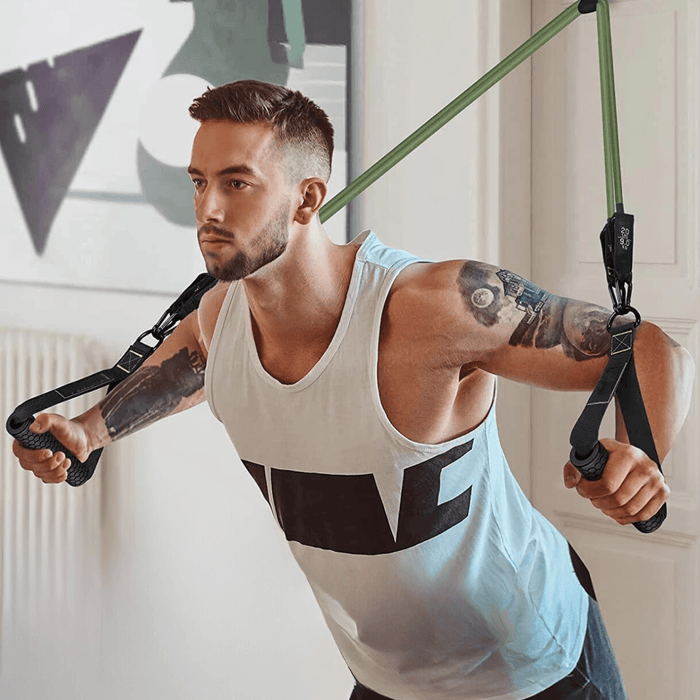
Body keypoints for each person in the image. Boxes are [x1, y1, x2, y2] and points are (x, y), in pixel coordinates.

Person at [13, 80, 694, 700]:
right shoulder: (223, 317)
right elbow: (190, 360)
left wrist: (642, 456)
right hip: (389, 678)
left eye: (237, 183)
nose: (208, 209)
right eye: (198, 182)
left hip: (532, 668)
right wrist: (91, 429)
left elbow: (648, 348)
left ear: (308, 197)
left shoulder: (436, 309)